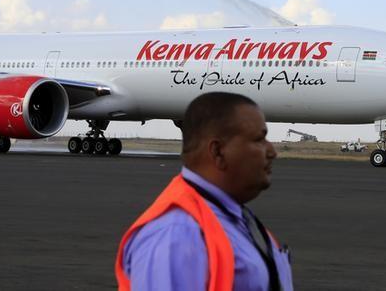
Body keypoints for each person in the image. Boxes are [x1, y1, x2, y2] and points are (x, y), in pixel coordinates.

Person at [115, 92, 293, 291]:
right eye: (259, 140)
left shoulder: (236, 219)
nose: (272, 151)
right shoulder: (176, 237)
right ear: (217, 151)